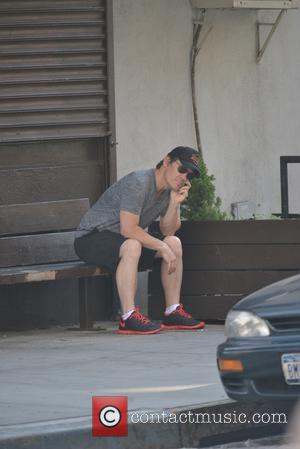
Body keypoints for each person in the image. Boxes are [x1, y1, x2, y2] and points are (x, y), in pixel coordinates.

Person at [74, 146, 205, 335]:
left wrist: (175, 204)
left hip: (120, 240)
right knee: (133, 244)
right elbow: (129, 229)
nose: (184, 177)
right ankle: (128, 317)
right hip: (90, 238)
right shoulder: (140, 182)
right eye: (182, 169)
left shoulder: (168, 191)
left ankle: (172, 311)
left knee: (173, 243)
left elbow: (168, 230)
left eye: (189, 175)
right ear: (166, 161)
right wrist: (161, 246)